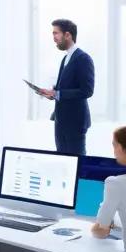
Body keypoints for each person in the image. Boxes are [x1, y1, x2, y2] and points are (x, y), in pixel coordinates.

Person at [36, 19, 95, 155]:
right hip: (61, 121)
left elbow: (87, 90)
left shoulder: (83, 58)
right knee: (63, 162)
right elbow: (65, 88)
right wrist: (52, 93)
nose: (54, 38)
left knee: (77, 164)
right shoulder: (66, 58)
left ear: (67, 35)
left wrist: (57, 94)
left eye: (56, 33)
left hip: (75, 123)